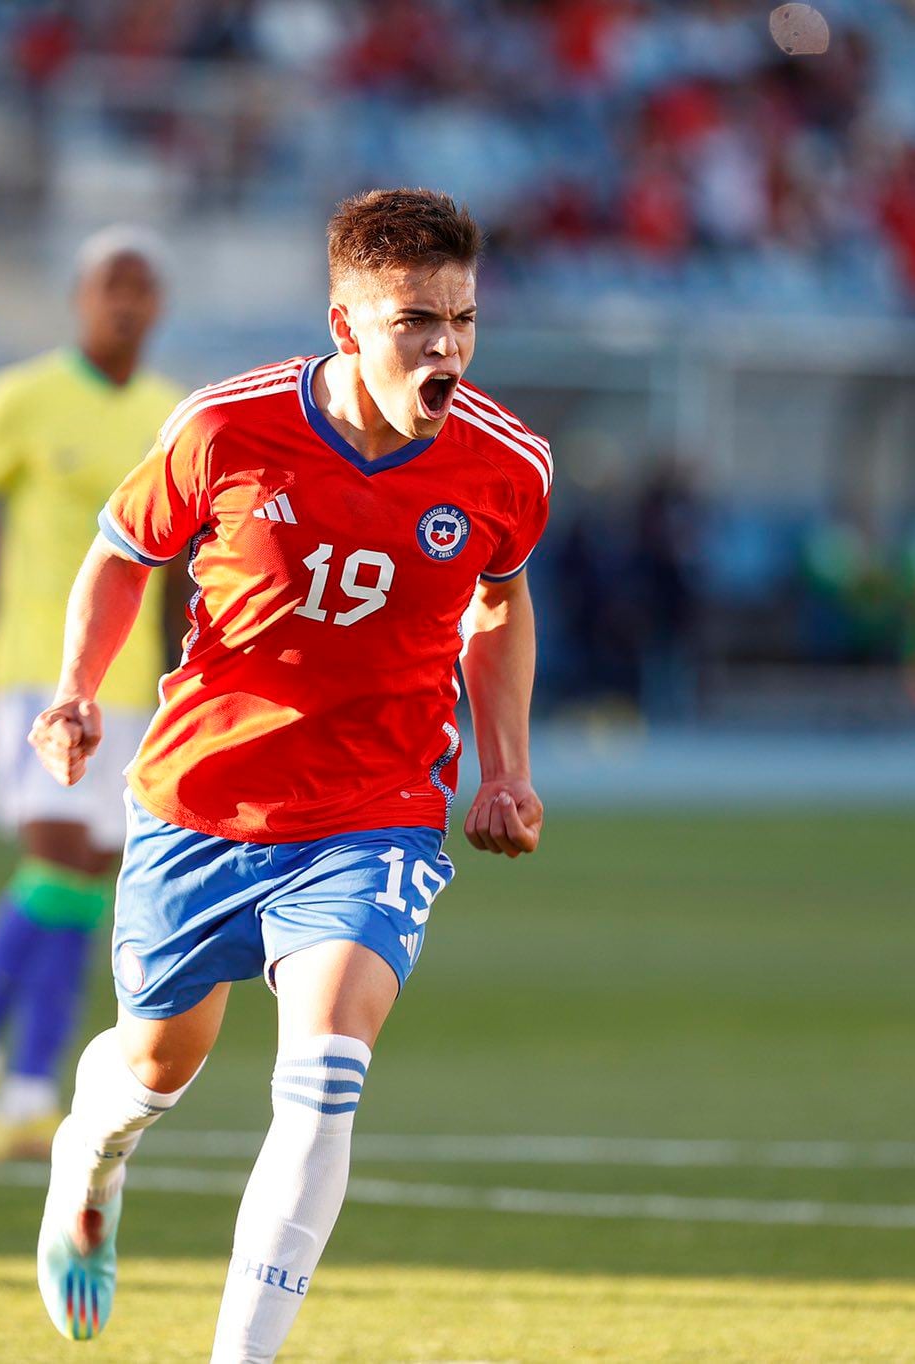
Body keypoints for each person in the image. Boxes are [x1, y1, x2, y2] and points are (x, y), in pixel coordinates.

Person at [27, 188, 549, 1361]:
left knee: (323, 1070)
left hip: (376, 811)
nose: (446, 347)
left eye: (462, 318)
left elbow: (498, 606)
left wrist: (504, 766)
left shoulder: (504, 463)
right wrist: (75, 685)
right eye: (416, 319)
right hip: (201, 798)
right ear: (344, 319)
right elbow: (122, 557)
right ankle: (91, 1150)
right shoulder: (226, 426)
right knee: (155, 1065)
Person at [0, 228, 182, 1162]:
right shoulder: (23, 396)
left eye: (141, 288)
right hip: (37, 669)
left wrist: (191, 665)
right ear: (79, 298)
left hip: (137, 679)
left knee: (89, 871)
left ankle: (28, 1089)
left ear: (160, 306)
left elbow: (181, 560)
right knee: (59, 852)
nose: (126, 302)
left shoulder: (174, 412)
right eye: (112, 286)